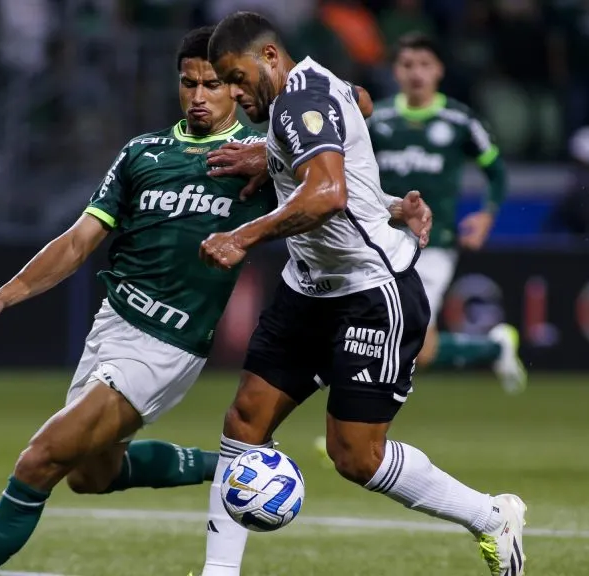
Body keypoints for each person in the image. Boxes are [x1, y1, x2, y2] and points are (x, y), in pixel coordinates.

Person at [196, 12, 526, 576]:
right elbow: (364, 103)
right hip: (307, 288)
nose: (231, 92)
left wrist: (242, 237)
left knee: (356, 457)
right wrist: (275, 155)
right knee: (244, 423)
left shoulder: (299, 103)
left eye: (236, 77)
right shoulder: (316, 86)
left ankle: (490, 516)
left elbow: (326, 192)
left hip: (371, 291)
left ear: (270, 57)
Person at [0, 27, 274, 576]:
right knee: (89, 475)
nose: (197, 95)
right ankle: (235, 468)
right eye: (188, 82)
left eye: (211, 84)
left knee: (39, 460)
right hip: (112, 326)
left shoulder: (259, 160)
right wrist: (2, 296)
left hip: (165, 345)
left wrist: (393, 210)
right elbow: (77, 241)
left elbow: (328, 186)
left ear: (235, 87)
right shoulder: (142, 153)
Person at [368, 32, 526, 392]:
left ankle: (361, 433)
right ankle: (493, 347)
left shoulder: (458, 121)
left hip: (433, 244)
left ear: (439, 70)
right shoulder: (378, 121)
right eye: (408, 65)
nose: (416, 73)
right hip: (381, 240)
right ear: (396, 70)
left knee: (402, 336)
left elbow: (496, 170)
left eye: (425, 65)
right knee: (412, 346)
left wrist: (487, 214)